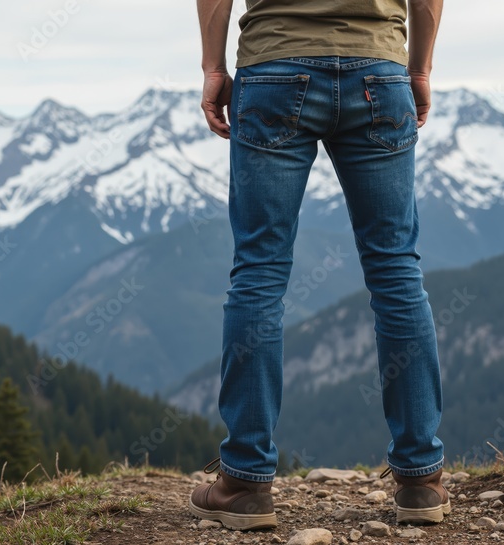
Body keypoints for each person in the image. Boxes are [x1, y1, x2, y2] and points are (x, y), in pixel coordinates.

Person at [189, 0, 448, 531]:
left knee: (258, 272)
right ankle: (421, 481)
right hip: (379, 68)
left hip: (274, 67)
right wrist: (417, 68)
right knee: (397, 270)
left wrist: (214, 66)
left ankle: (243, 483)